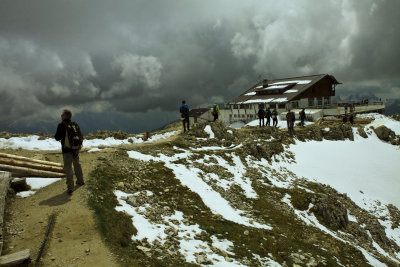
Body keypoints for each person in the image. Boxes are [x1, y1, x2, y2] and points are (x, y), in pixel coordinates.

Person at [55, 109, 84, 195]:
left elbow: (57, 137)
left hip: (66, 150)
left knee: (68, 168)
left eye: (62, 114)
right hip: (75, 149)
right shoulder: (74, 124)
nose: (61, 116)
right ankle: (80, 181)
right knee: (77, 164)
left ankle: (70, 188)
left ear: (65, 116)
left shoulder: (61, 125)